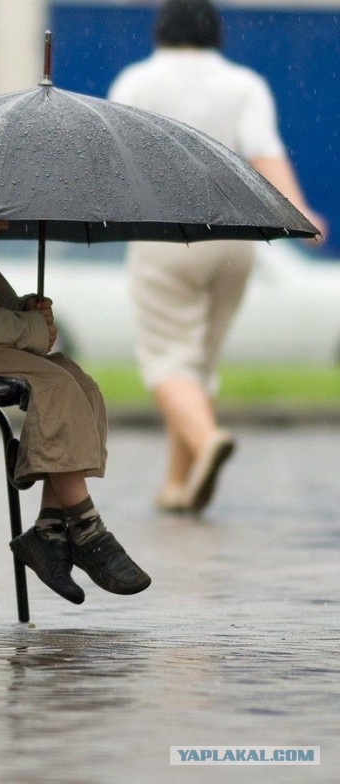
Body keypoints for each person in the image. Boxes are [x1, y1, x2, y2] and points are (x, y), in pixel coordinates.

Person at [107, 0, 326, 514]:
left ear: (161, 28)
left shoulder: (138, 81)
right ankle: (178, 485)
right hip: (234, 235)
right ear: (214, 31)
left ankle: (206, 442)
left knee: (167, 362)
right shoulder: (243, 84)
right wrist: (298, 212)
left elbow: (115, 153)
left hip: (165, 233)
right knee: (198, 365)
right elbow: (263, 150)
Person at [0, 219, 151, 604]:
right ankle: (86, 527)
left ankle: (49, 529)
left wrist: (26, 309)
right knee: (55, 385)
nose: (4, 223)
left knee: (81, 384)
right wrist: (30, 327)